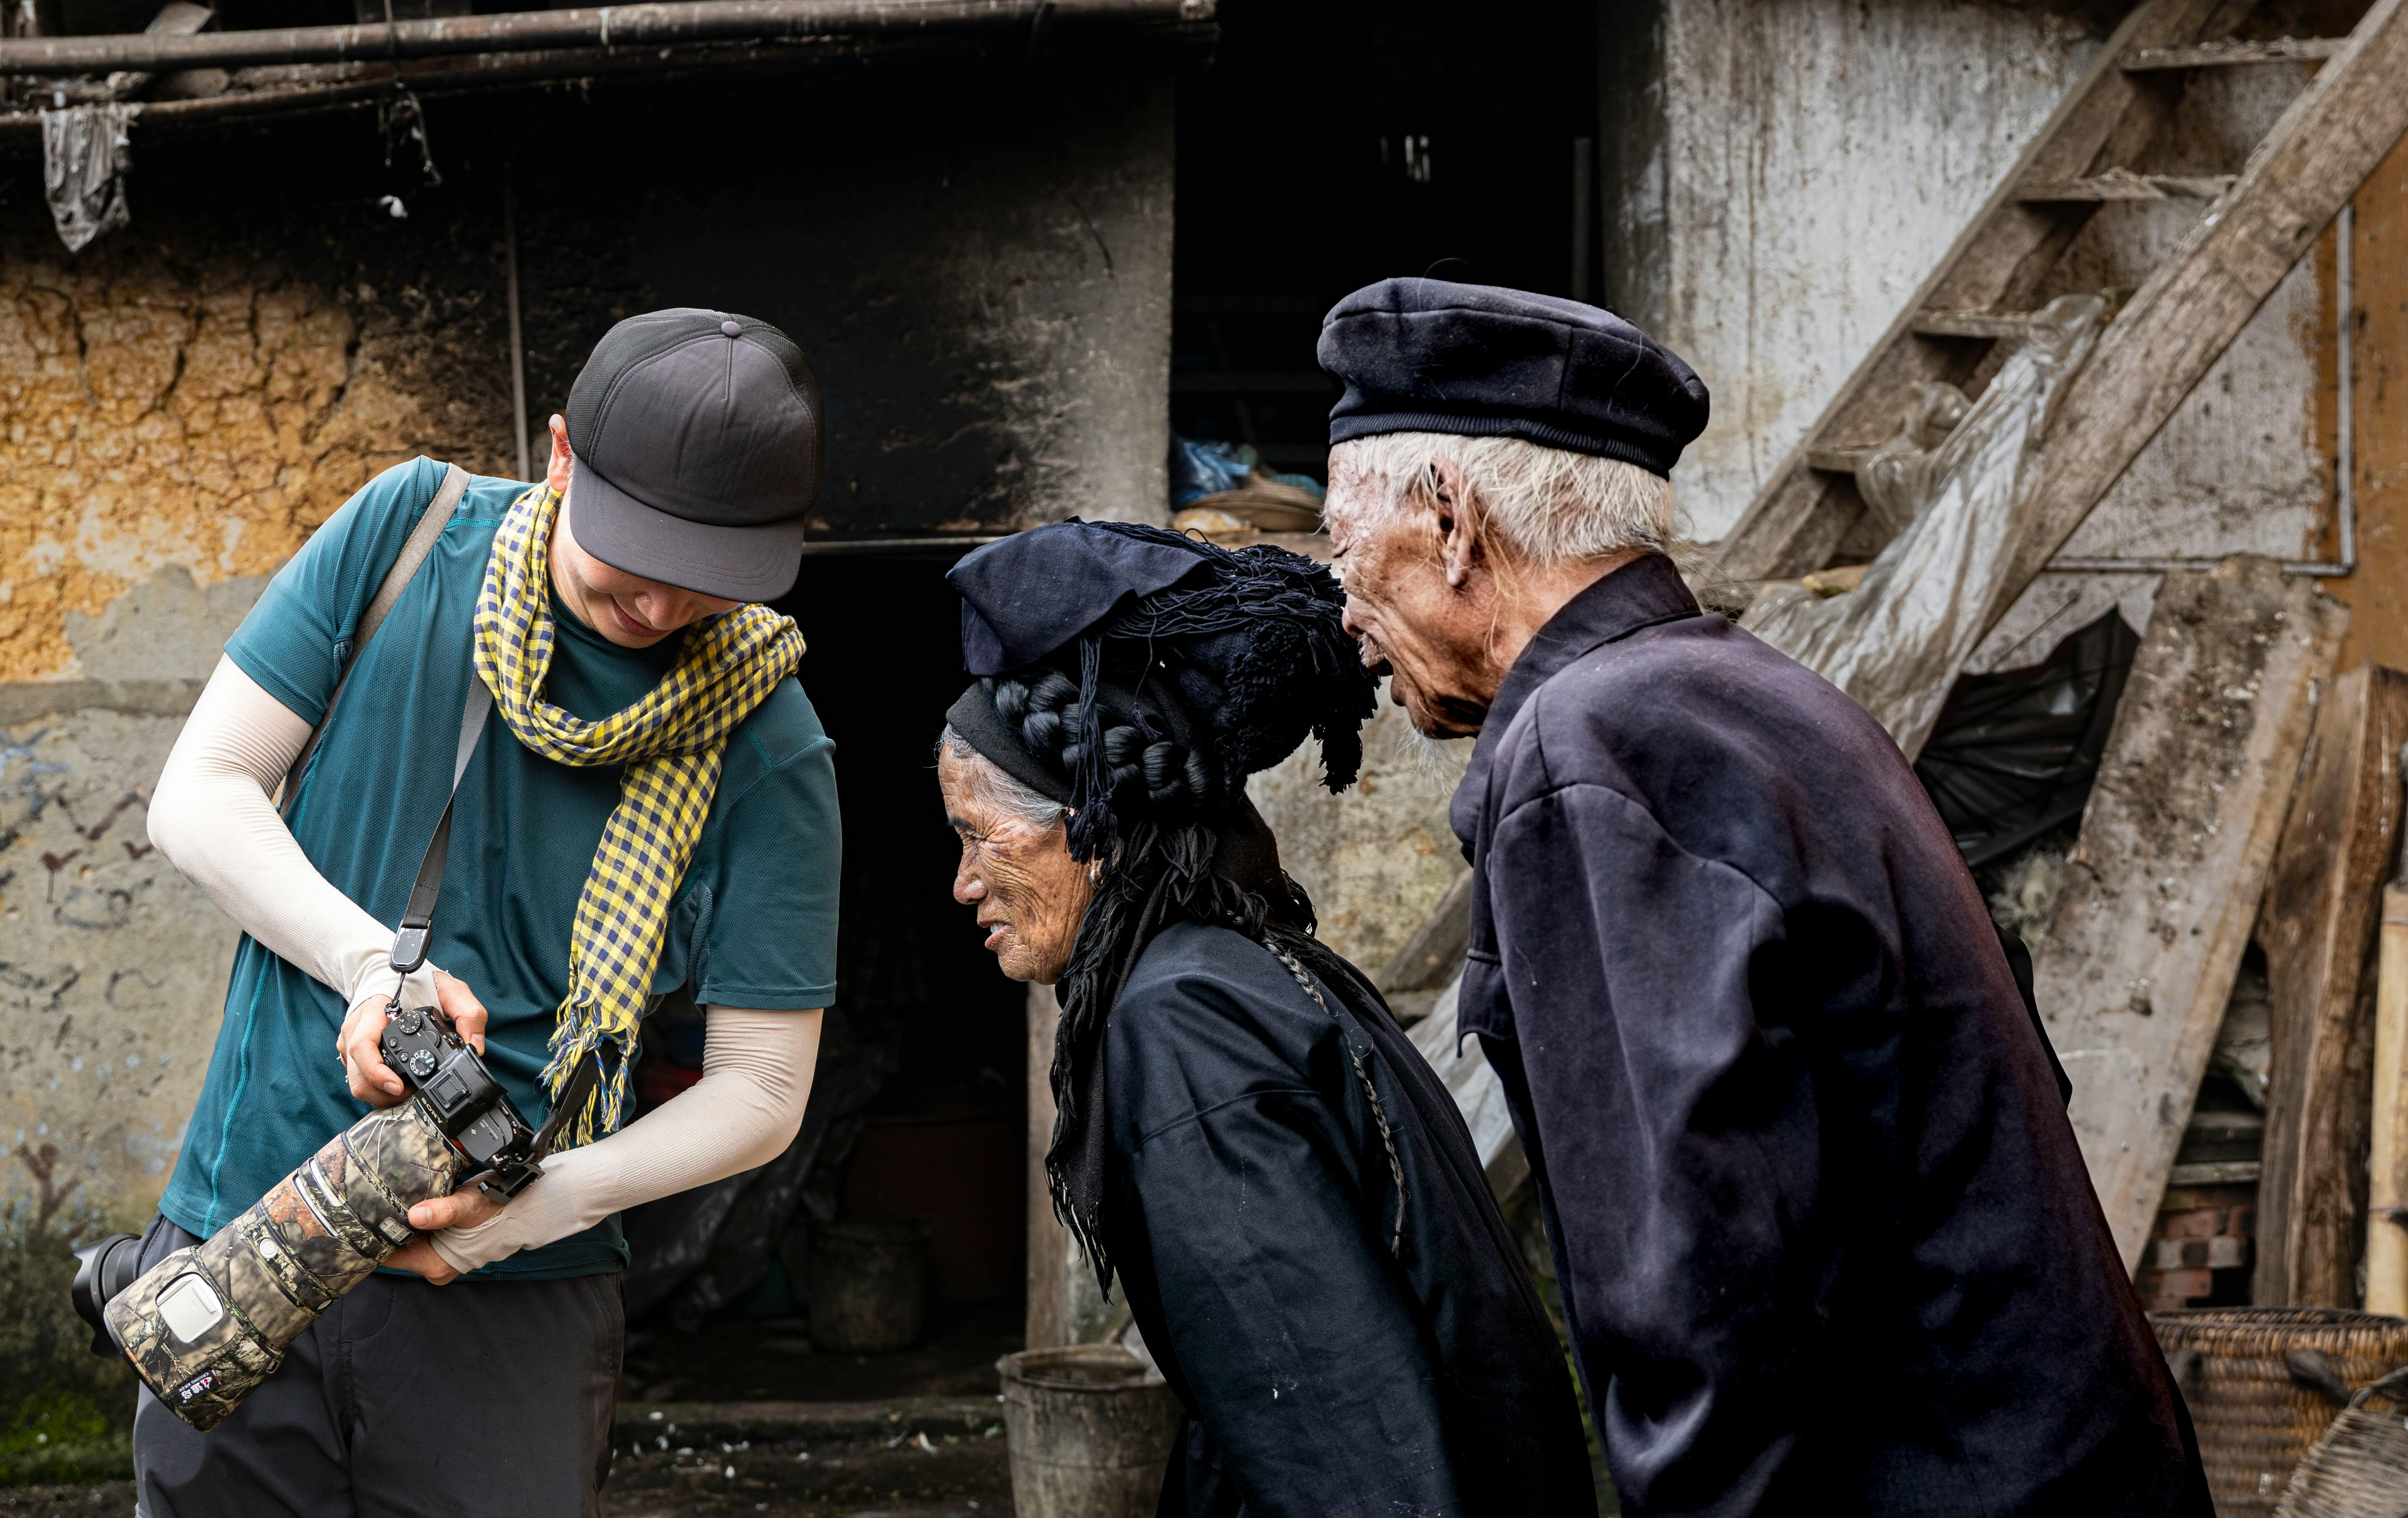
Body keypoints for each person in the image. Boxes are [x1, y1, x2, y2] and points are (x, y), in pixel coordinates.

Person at [1314, 276, 2211, 1516]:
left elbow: (1704, 1282)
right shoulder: (1748, 696)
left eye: (1344, 544)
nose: (1344, 605)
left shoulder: (1594, 748)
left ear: (1453, 521)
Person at [135, 308, 843, 1516]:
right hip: (250, 1228)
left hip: (518, 1306)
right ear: (562, 455)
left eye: (709, 574)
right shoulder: (408, 534)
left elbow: (765, 1087)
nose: (660, 604)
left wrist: (534, 1211)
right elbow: (200, 791)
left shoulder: (771, 744)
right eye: (637, 551)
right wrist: (372, 965)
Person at [935, 521, 1597, 1518]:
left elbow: (1334, 1433)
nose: (962, 883)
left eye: (977, 837)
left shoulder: (1185, 1024)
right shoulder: (1238, 968)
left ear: (1090, 827)